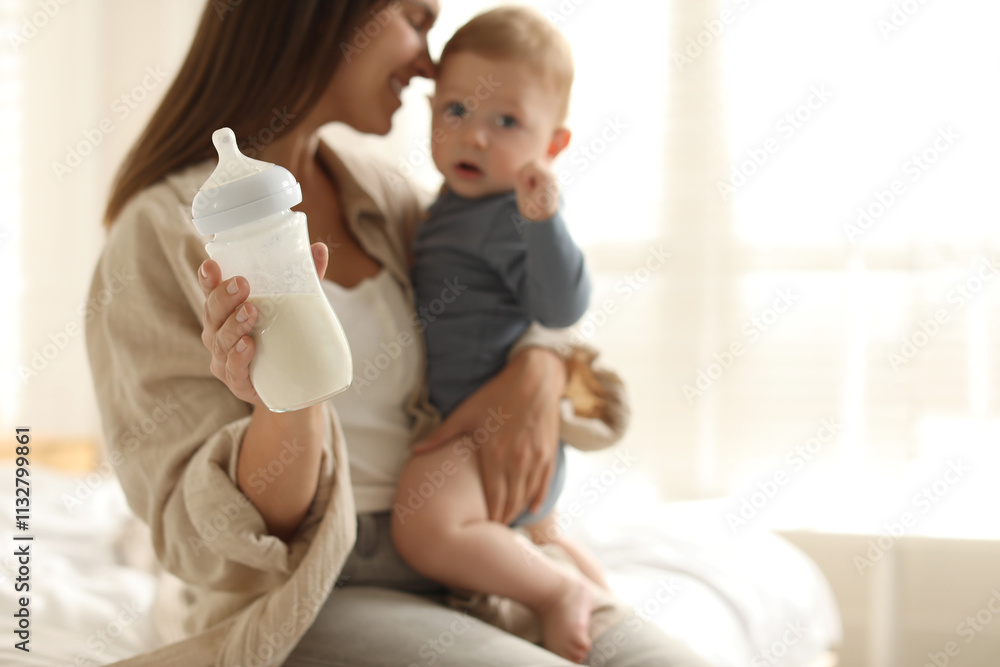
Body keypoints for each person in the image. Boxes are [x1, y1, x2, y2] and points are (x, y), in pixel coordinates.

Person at [85, 1, 713, 665]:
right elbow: (206, 540)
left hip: (473, 563)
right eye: (417, 19)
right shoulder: (159, 237)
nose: (429, 60)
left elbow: (514, 295)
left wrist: (539, 362)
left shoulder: (390, 198)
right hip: (317, 589)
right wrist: (280, 401)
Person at [392, 8, 606, 663]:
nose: (474, 137)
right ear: (429, 110)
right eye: (456, 110)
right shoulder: (450, 206)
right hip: (491, 436)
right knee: (538, 534)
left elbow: (563, 304)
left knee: (424, 522)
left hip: (495, 438)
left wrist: (545, 220)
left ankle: (555, 594)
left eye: (505, 121)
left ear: (554, 145)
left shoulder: (511, 215)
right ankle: (588, 583)